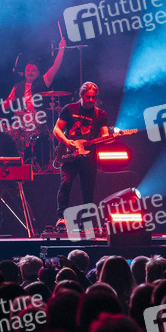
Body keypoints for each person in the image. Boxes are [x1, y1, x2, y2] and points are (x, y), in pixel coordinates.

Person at [53, 81, 109, 231]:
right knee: (65, 183)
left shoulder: (100, 115)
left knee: (88, 190)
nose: (90, 100)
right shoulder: (69, 109)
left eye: (93, 97)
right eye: (87, 97)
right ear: (81, 95)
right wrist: (67, 142)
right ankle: (61, 219)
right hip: (69, 153)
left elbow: (105, 135)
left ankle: (86, 222)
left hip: (89, 156)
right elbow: (57, 129)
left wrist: (112, 138)